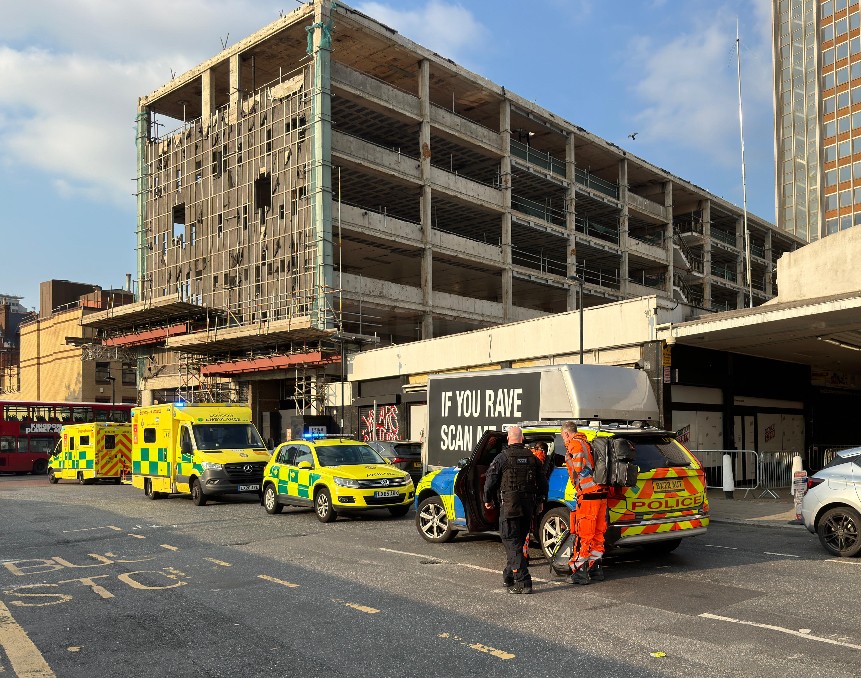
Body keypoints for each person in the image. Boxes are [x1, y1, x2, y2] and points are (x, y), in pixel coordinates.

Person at [483, 426, 548, 594]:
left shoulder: (502, 458)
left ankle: (523, 581)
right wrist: (540, 501)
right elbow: (543, 483)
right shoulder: (532, 458)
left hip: (510, 506)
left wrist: (487, 500)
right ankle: (509, 576)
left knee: (510, 541)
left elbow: (490, 481)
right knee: (516, 542)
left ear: (508, 439)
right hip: (528, 506)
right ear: (522, 438)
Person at [561, 420, 608, 585]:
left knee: (583, 535)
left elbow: (579, 467)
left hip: (588, 496)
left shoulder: (575, 444)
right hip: (601, 494)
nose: (563, 441)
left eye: (563, 437)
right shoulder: (587, 442)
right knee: (598, 533)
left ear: (567, 433)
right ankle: (595, 569)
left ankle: (579, 571)